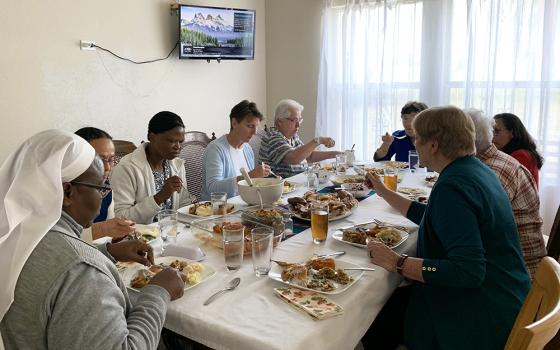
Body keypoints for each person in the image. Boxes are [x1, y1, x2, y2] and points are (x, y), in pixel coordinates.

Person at [362, 107, 530, 349]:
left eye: (418, 138)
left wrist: (396, 262)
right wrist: (385, 192)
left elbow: (468, 271)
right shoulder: (474, 169)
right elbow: (435, 216)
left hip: (481, 314)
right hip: (506, 294)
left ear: (434, 145)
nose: (414, 143)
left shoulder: (453, 186)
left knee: (376, 314)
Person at [0, 129, 185, 349]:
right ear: (67, 193)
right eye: (101, 188)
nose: (102, 198)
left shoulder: (16, 235)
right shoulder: (81, 270)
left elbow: (52, 270)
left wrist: (108, 252)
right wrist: (158, 293)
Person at [466, 109, 545, 278]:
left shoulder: (502, 165)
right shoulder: (496, 159)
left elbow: (475, 228)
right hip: (517, 257)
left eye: (497, 131)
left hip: (517, 271)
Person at [111, 111, 195, 224]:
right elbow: (120, 218)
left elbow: (183, 202)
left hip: (171, 232)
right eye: (171, 141)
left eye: (180, 142)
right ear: (152, 137)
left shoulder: (176, 164)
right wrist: (160, 197)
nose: (178, 147)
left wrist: (196, 210)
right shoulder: (127, 167)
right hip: (140, 236)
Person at [75, 127, 135, 242]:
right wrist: (103, 229)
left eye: (111, 160)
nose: (107, 167)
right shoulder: (65, 193)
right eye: (100, 160)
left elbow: (109, 236)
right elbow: (57, 239)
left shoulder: (105, 190)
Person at [201, 100, 271, 200]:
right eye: (250, 126)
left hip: (242, 206)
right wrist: (249, 176)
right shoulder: (216, 149)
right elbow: (212, 188)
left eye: (256, 127)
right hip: (216, 211)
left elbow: (250, 186)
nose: (255, 132)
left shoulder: (247, 149)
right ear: (234, 123)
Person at [259, 99, 339, 178]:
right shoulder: (273, 137)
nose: (298, 125)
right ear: (279, 122)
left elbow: (308, 156)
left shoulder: (292, 136)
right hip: (282, 188)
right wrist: (317, 140)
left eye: (299, 120)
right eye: (294, 120)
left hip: (298, 183)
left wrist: (337, 154)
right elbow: (294, 158)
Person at [493, 113, 544, 187]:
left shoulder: (521, 156)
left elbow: (504, 187)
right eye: (491, 131)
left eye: (496, 131)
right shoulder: (510, 152)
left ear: (512, 133)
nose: (492, 135)